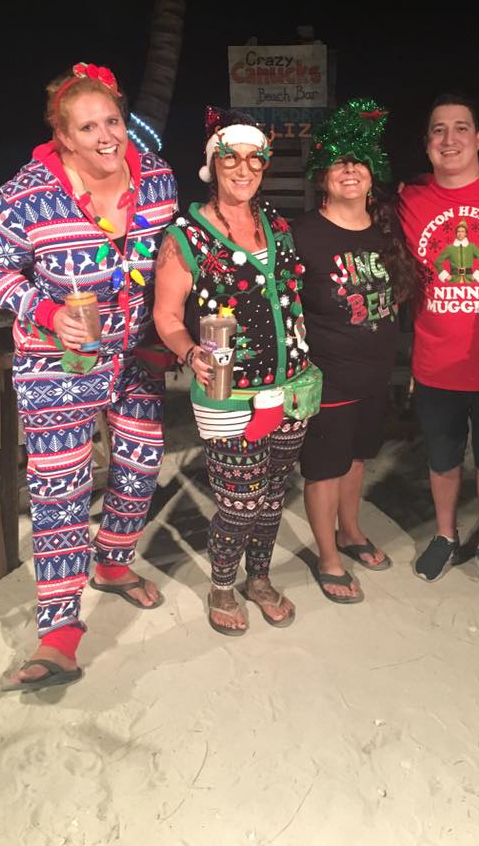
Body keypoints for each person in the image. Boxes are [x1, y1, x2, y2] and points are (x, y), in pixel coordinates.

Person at [0, 62, 178, 691]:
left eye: (112, 120)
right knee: (60, 491)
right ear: (62, 136)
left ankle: (112, 561)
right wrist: (46, 311)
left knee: (141, 462)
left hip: (134, 356)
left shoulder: (157, 180)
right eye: (88, 127)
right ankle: (58, 636)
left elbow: (175, 256)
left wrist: (172, 324)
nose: (106, 136)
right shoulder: (30, 192)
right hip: (56, 362)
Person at [153, 108, 318, 635]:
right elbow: (166, 316)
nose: (243, 169)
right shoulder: (186, 235)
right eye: (231, 158)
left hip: (290, 388)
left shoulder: (277, 225)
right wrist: (189, 353)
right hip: (228, 392)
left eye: (255, 159)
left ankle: (259, 579)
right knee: (240, 502)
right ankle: (222, 585)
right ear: (212, 164)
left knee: (272, 497)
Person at [398, 94, 479, 593]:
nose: (449, 139)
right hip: (437, 362)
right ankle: (446, 534)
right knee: (442, 458)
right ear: (426, 142)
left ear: (478, 139)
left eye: (460, 128)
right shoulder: (408, 198)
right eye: (438, 129)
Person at [294, 98, 416, 603]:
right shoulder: (302, 235)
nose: (349, 170)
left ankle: (350, 530)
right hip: (328, 377)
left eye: (359, 161)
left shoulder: (387, 230)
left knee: (358, 458)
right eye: (338, 162)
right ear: (322, 176)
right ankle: (328, 556)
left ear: (372, 173)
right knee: (325, 468)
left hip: (374, 374)